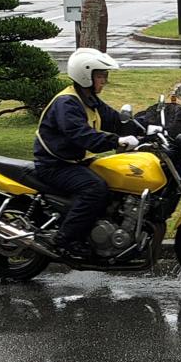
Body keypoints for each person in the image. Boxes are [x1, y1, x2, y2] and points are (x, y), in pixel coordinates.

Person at [33, 48, 139, 260]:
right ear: (86, 75)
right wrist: (116, 141)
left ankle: (93, 234)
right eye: (101, 76)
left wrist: (148, 128)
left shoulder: (89, 99)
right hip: (54, 164)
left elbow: (117, 120)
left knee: (113, 182)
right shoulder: (67, 103)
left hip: (73, 161)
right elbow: (82, 135)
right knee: (94, 189)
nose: (104, 81)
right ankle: (64, 240)